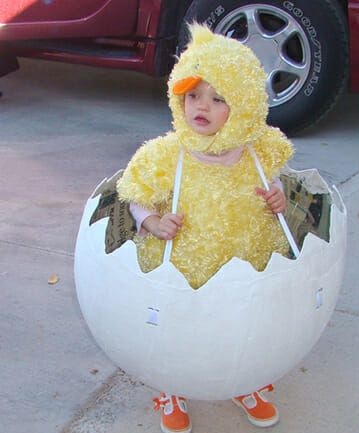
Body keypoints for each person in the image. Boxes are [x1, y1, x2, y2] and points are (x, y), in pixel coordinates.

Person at [117, 23, 294, 433]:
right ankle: (173, 388)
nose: (202, 106)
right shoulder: (166, 154)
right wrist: (152, 221)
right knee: (179, 329)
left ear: (244, 106)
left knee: (240, 326)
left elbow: (273, 182)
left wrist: (278, 198)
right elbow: (137, 195)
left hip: (244, 263)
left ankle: (243, 382)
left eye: (218, 99)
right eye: (193, 95)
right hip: (183, 267)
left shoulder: (257, 151)